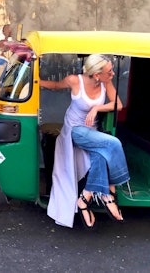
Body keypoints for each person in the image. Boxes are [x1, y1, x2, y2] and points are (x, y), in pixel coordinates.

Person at [39, 54, 130, 229]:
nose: (112, 74)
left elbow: (117, 104)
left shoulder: (105, 82)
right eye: (109, 71)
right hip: (74, 130)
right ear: (97, 74)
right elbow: (56, 86)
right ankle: (109, 192)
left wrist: (97, 107)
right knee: (114, 144)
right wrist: (36, 82)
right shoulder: (75, 81)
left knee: (101, 156)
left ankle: (84, 198)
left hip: (91, 132)